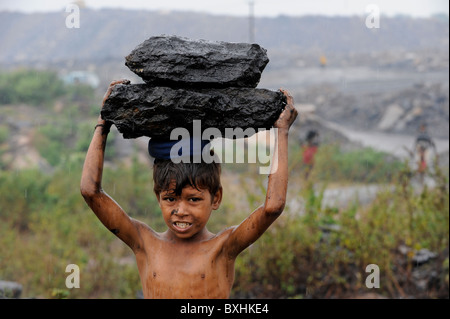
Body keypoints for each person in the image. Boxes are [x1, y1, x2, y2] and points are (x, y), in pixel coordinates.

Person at [80, 80, 298, 299]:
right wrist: (103, 123)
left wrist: (281, 132)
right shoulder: (144, 242)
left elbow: (273, 206)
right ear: (158, 197)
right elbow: (90, 192)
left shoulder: (223, 247)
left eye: (193, 199)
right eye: (170, 199)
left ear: (216, 197)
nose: (181, 210)